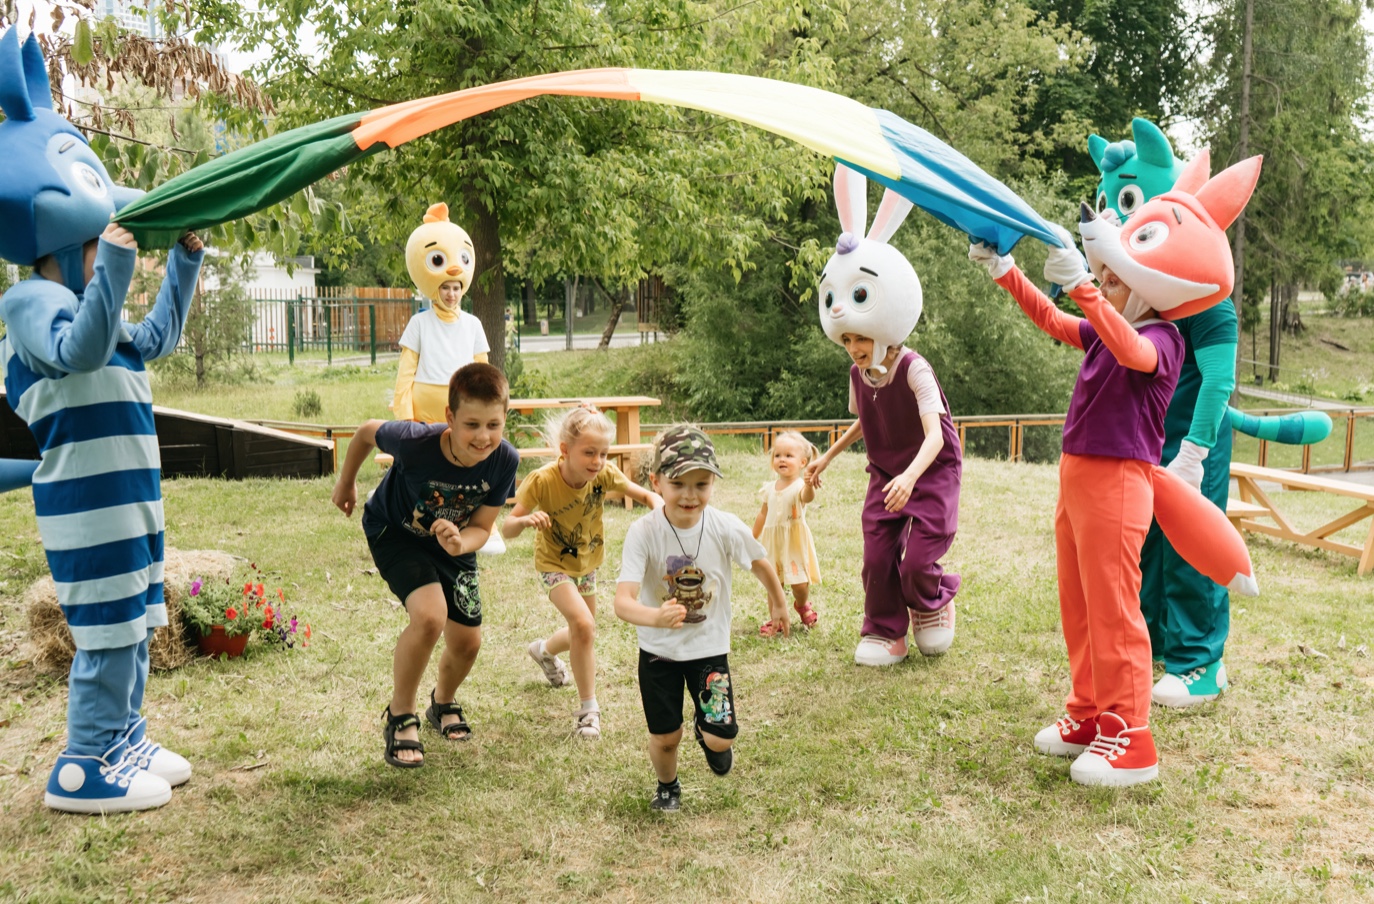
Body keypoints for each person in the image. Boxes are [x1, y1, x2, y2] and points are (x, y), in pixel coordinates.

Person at [968, 149, 1260, 786]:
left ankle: (1131, 737)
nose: (1108, 285)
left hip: (1119, 483)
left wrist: (1085, 288)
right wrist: (1005, 271)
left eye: (1116, 279)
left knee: (1114, 610)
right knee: (1078, 604)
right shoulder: (1105, 327)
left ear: (1146, 290)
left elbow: (1127, 346)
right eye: (1105, 277)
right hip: (1076, 477)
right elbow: (1053, 319)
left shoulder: (1163, 340)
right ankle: (1089, 712)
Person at [0, 27, 204, 814]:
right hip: (85, 505)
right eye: (96, 246)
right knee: (107, 633)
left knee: (138, 616)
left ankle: (125, 737)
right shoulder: (30, 304)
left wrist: (182, 262)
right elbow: (81, 353)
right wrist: (117, 264)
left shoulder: (91, 300)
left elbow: (149, 340)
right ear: (62, 247)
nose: (107, 257)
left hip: (132, 497)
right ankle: (82, 765)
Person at [1088, 120, 1237, 708]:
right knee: (1144, 540)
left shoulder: (1200, 281)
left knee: (1189, 543)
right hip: (1145, 436)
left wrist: (1195, 454)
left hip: (1194, 435)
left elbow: (1219, 377)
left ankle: (1201, 660)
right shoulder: (1138, 281)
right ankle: (1151, 643)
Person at [805, 163, 962, 667]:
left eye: (860, 338)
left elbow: (935, 435)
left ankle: (933, 603)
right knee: (877, 559)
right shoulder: (857, 375)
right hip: (887, 474)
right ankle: (884, 631)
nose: (853, 347)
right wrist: (825, 459)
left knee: (916, 562)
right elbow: (864, 423)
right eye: (846, 339)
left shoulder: (915, 369)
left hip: (930, 473)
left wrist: (911, 477)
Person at [332, 363, 519, 768]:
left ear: (506, 418)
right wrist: (346, 482)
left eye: (493, 424)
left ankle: (443, 702)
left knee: (468, 642)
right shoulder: (416, 441)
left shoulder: (504, 460)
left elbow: (484, 526)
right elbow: (367, 431)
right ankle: (401, 714)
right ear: (449, 418)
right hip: (394, 531)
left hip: (452, 543)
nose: (483, 436)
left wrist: (458, 543)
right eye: (472, 424)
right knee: (431, 617)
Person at [614, 426, 789, 811]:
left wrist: (777, 600)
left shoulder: (724, 526)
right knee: (665, 736)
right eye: (679, 483)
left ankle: (707, 729)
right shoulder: (643, 533)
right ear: (656, 482)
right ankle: (667, 786)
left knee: (720, 739)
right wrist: (655, 617)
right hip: (658, 652)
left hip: (708, 650)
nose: (690, 495)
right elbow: (622, 603)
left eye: (702, 483)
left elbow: (758, 561)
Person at [501, 406, 663, 739]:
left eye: (603, 453)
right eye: (589, 452)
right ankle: (589, 711)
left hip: (587, 564)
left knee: (584, 630)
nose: (597, 461)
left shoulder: (603, 476)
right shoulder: (542, 480)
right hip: (554, 565)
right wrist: (524, 521)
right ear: (565, 450)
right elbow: (507, 527)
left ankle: (544, 650)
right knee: (584, 624)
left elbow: (644, 494)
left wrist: (658, 505)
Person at [393, 203, 490, 425]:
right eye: (446, 288)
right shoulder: (419, 323)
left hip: (463, 409)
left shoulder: (473, 324)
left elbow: (482, 370)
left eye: (456, 288)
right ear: (436, 289)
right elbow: (406, 372)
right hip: (424, 415)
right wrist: (405, 416)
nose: (451, 294)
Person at [753, 430, 822, 635]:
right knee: (773, 583)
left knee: (800, 584)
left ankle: (801, 605)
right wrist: (752, 537)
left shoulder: (801, 485)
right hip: (773, 543)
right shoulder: (769, 488)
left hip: (793, 542)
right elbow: (763, 515)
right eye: (777, 455)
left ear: (802, 463)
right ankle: (777, 619)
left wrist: (810, 484)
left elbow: (807, 498)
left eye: (788, 456)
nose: (782, 459)